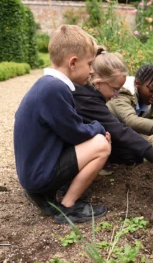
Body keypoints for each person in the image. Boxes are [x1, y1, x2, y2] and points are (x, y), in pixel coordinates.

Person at [14, 25, 111, 223]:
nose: (92, 70)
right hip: (37, 176)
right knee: (101, 145)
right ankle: (68, 207)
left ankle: (53, 190)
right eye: (90, 64)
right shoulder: (55, 89)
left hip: (34, 170)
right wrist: (99, 128)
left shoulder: (46, 84)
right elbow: (75, 133)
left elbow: (67, 127)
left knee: (93, 138)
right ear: (73, 62)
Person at [73, 48, 153, 168]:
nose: (116, 94)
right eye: (115, 90)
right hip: (60, 157)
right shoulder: (89, 101)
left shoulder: (91, 93)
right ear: (98, 83)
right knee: (110, 145)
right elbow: (121, 128)